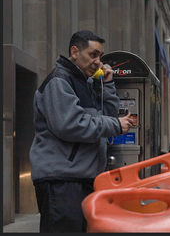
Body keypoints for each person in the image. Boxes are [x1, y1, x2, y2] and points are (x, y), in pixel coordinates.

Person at [29, 30, 135, 232]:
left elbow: (107, 114)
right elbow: (70, 125)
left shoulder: (84, 82)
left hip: (81, 178)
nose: (98, 62)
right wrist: (114, 126)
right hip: (61, 180)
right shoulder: (59, 81)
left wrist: (107, 85)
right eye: (93, 54)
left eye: (100, 56)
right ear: (75, 52)